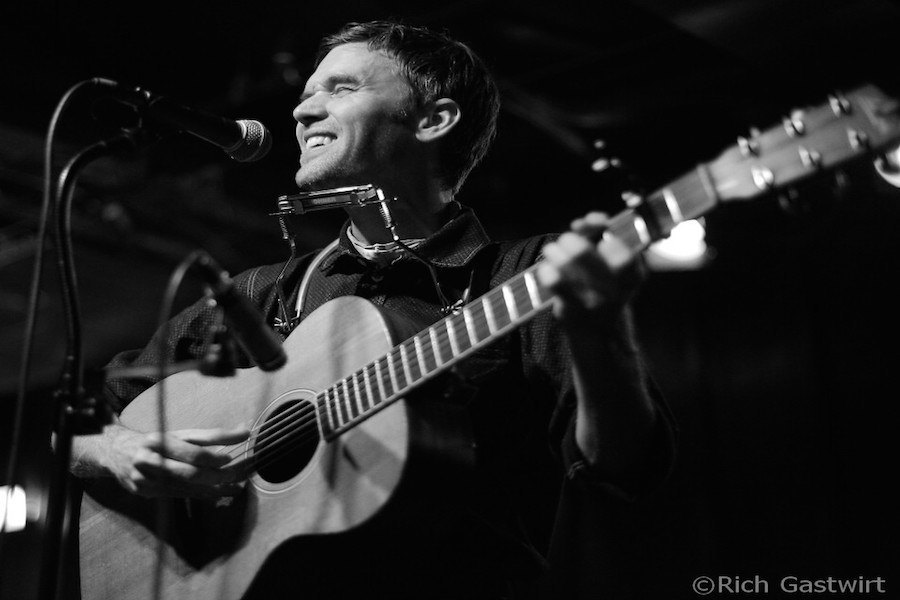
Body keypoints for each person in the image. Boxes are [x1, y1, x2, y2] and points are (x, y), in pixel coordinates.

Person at [71, 19, 676, 599]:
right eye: (307, 95)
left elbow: (624, 471)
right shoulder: (258, 294)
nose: (303, 112)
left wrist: (601, 333)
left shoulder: (526, 278)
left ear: (434, 120)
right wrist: (116, 451)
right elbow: (71, 423)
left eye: (342, 88)